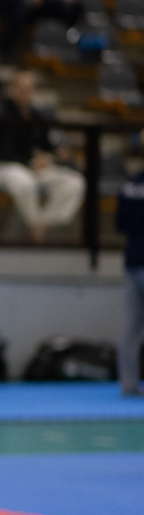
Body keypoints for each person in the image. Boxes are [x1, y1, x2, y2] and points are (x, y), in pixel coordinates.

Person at [0, 70, 84, 242]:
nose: (26, 93)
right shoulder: (3, 115)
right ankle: (35, 226)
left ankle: (43, 224)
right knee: (25, 183)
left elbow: (46, 145)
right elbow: (4, 151)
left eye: (29, 89)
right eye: (21, 88)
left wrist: (55, 155)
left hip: (34, 168)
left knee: (74, 183)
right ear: (13, 89)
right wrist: (32, 163)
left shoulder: (37, 116)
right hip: (6, 167)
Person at [116, 146, 144, 395]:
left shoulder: (128, 186)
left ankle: (129, 383)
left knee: (131, 329)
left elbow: (120, 224)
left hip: (133, 260)